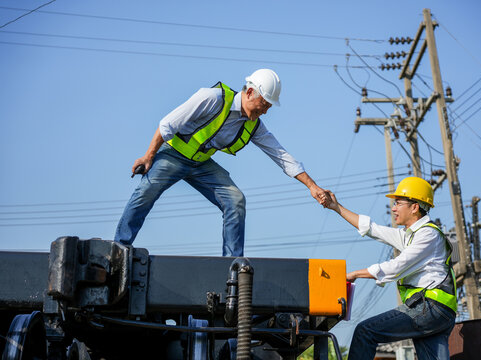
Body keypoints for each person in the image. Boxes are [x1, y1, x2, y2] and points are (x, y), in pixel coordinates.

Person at [115, 69, 328, 256]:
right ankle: (119, 248)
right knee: (146, 192)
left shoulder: (254, 125)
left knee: (235, 201)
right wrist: (149, 155)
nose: (265, 111)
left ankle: (232, 264)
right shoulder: (212, 98)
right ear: (251, 92)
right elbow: (167, 124)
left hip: (202, 164)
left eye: (269, 106)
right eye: (264, 103)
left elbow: (281, 155)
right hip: (174, 153)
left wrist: (312, 186)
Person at [324, 177, 457, 360]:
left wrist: (355, 274)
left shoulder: (428, 234)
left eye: (398, 203)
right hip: (437, 313)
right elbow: (372, 229)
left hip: (431, 308)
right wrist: (336, 207)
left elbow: (396, 267)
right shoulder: (411, 235)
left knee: (366, 332)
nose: (393, 208)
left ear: (415, 207)